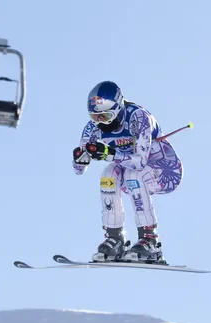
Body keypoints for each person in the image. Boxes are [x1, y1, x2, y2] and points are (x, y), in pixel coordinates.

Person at [72, 81, 183, 264]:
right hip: (131, 174)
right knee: (108, 174)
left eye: (106, 116)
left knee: (133, 174)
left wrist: (109, 153)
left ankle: (150, 240)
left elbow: (140, 162)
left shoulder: (138, 118)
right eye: (95, 116)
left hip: (165, 170)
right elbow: (78, 170)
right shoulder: (93, 128)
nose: (100, 122)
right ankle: (115, 238)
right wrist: (80, 159)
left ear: (117, 109)